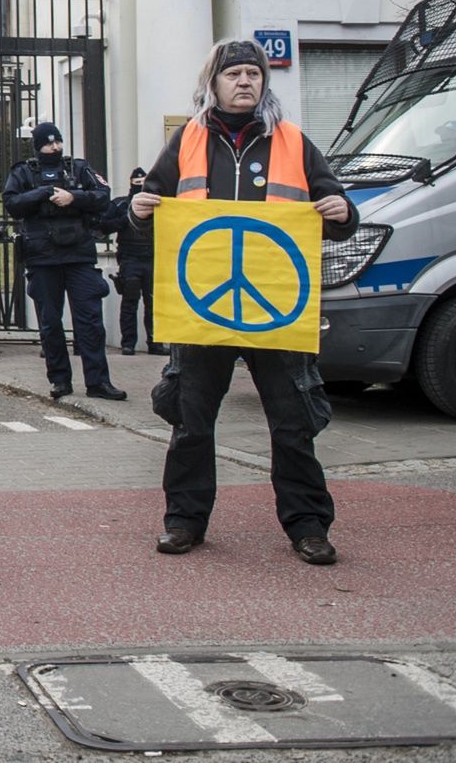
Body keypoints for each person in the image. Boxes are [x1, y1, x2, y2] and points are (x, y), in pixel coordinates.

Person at [131, 39, 357, 566]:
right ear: (213, 83)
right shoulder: (187, 139)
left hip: (276, 309)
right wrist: (139, 211)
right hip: (202, 310)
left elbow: (339, 213)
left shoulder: (294, 142)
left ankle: (307, 526)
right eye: (233, 74)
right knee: (191, 421)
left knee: (292, 422)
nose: (244, 82)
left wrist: (342, 212)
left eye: (253, 74)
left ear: (264, 82)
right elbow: (150, 213)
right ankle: (184, 522)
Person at [4, 121, 124, 401]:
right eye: (48, 143)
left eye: (57, 141)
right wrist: (43, 193)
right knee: (50, 323)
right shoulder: (24, 172)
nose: (54, 147)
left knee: (90, 322)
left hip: (79, 255)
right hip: (42, 258)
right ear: (37, 147)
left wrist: (73, 197)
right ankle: (59, 380)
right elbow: (11, 204)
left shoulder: (79, 168)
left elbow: (103, 197)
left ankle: (98, 382)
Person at [101, 167, 165, 356]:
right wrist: (126, 219)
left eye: (143, 184)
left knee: (153, 303)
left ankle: (155, 343)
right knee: (130, 302)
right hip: (130, 260)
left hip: (152, 258)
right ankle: (128, 343)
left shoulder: (156, 205)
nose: (140, 188)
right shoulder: (121, 204)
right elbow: (103, 225)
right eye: (136, 184)